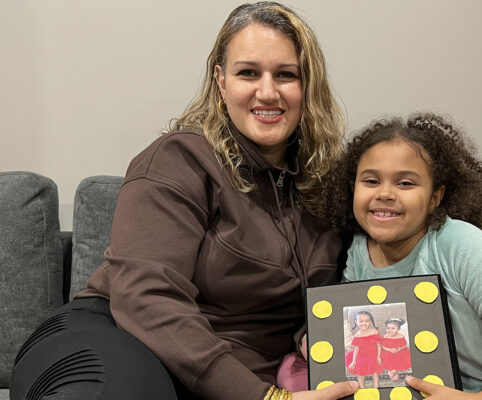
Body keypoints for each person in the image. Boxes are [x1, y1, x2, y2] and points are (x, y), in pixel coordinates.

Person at [10, 2, 359, 400]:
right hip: (121, 336)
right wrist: (262, 397)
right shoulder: (180, 159)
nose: (268, 91)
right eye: (248, 73)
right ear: (221, 82)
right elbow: (147, 298)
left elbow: (342, 295)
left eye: (286, 75)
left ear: (307, 85)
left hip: (240, 376)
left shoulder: (329, 187)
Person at [325, 114, 482, 400]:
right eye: (371, 180)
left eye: (405, 183)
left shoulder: (464, 246)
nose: (385, 193)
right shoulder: (358, 250)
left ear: (435, 198)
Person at [344, 311, 383, 388]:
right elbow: (356, 349)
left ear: (370, 321)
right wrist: (354, 360)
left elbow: (378, 345)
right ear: (356, 322)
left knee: (374, 366)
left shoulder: (374, 332)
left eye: (367, 321)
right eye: (361, 321)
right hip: (361, 354)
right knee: (359, 366)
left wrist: (378, 356)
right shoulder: (357, 335)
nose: (364, 323)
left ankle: (376, 386)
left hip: (373, 352)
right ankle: (362, 386)